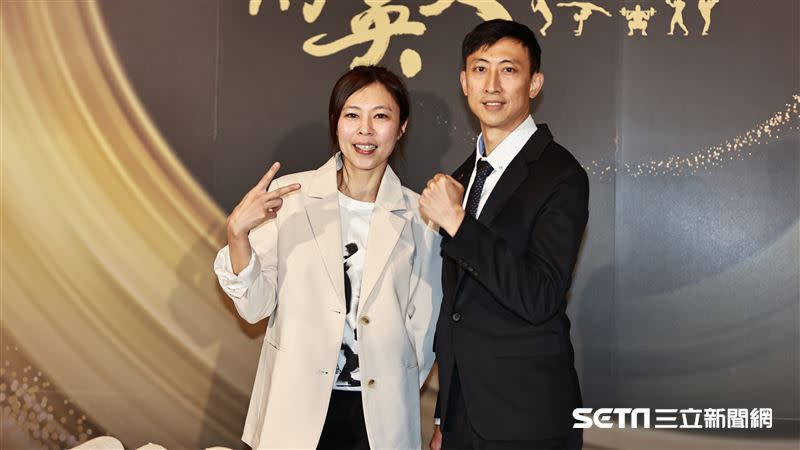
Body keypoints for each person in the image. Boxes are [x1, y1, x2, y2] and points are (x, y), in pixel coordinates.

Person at [214, 65, 442, 450]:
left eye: (381, 116)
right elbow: (254, 308)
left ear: (401, 127)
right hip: (296, 409)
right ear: (336, 123)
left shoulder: (421, 216)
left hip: (381, 418)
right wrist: (237, 235)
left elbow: (425, 327)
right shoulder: (291, 198)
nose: (365, 130)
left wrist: (392, 384)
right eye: (352, 115)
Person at [420, 19, 589, 450]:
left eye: (508, 70)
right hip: (462, 418)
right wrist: (444, 414)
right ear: (464, 82)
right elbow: (456, 309)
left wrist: (459, 224)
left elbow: (539, 296)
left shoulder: (561, 174)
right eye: (480, 69)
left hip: (528, 418)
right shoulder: (462, 177)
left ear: (534, 83)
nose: (492, 85)